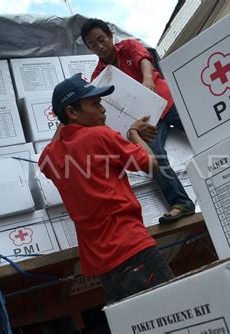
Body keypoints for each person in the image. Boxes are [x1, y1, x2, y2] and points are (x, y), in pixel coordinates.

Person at [38, 73, 174, 302]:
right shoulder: (101, 136)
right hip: (133, 248)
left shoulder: (50, 158)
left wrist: (65, 115)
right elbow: (152, 164)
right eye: (94, 104)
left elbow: (52, 146)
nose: (103, 110)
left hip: (104, 269)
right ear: (72, 112)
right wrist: (134, 134)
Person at [80, 18, 196, 224]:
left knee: (201, 129)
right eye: (93, 44)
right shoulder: (99, 76)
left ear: (110, 36)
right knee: (153, 158)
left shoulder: (128, 46)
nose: (100, 46)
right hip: (147, 121)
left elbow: (143, 58)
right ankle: (181, 204)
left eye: (101, 39)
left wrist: (148, 79)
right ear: (89, 48)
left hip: (167, 103)